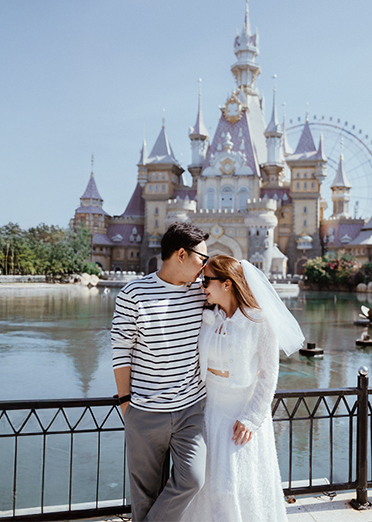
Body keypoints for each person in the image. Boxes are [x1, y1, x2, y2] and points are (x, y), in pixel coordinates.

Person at [182, 255, 303, 522]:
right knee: (207, 485)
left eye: (207, 281)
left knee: (233, 487)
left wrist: (251, 418)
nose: (202, 286)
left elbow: (269, 376)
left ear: (227, 283)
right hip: (208, 409)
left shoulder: (260, 321)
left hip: (240, 413)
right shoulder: (206, 317)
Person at [111, 222, 210, 522]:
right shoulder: (133, 293)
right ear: (181, 254)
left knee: (193, 479)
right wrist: (126, 403)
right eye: (202, 258)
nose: (204, 266)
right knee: (145, 496)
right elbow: (121, 351)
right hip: (145, 411)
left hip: (190, 409)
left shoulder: (201, 293)